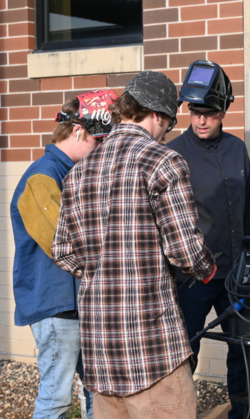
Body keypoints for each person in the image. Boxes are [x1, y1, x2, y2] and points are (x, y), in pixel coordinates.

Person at [52, 71, 217, 419]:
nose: (166, 133)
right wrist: (207, 268)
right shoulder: (163, 161)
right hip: (151, 349)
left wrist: (103, 271)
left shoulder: (79, 171)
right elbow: (183, 250)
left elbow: (63, 251)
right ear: (157, 115)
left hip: (100, 349)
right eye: (168, 124)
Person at [10, 89, 117, 419]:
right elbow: (66, 245)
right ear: (77, 131)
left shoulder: (71, 174)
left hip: (77, 305)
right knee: (56, 398)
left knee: (95, 392)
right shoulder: (42, 178)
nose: (101, 150)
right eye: (99, 142)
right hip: (56, 309)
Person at [167, 60, 250, 419]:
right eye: (195, 112)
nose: (201, 120)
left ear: (223, 111)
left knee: (243, 349)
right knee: (185, 352)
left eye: (209, 113)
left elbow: (249, 208)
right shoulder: (174, 153)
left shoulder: (237, 149)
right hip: (193, 277)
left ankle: (243, 415)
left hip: (237, 274)